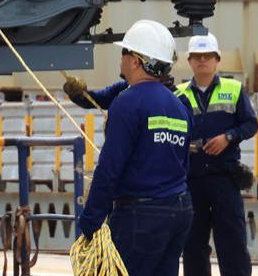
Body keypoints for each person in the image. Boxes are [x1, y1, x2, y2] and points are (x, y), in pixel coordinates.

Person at [74, 19, 193, 276]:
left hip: (141, 215)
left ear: (136, 61)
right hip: (179, 210)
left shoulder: (128, 102)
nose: (121, 59)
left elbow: (110, 168)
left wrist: (91, 220)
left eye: (124, 53)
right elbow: (183, 164)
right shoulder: (179, 106)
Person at [176, 32, 257, 276]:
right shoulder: (178, 95)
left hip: (225, 178)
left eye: (207, 56)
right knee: (193, 244)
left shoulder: (234, 89)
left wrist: (228, 137)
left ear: (217, 60)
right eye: (197, 57)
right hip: (192, 180)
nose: (202, 61)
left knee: (232, 243)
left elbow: (250, 124)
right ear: (189, 61)